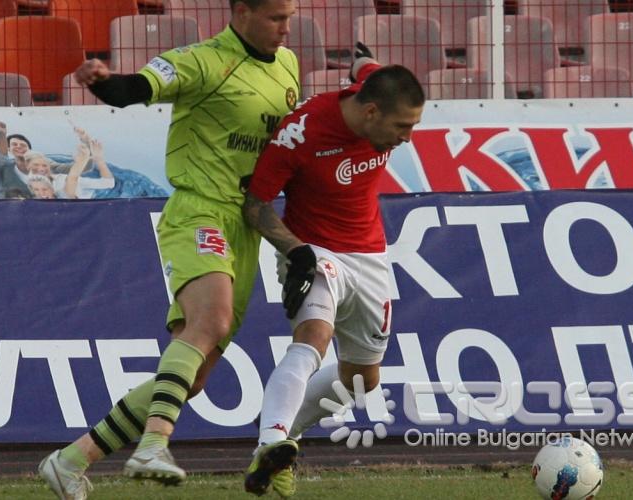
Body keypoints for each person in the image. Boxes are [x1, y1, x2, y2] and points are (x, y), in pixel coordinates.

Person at [37, 0, 299, 498]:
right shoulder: (200, 61)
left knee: (191, 379)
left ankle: (69, 461)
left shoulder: (287, 65)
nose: (286, 29)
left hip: (246, 225)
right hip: (199, 210)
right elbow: (134, 89)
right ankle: (153, 445)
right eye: (275, 18)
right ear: (242, 11)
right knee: (211, 322)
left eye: (289, 17)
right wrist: (103, 82)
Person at [241, 56, 425, 497]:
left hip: (369, 253)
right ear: (371, 112)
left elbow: (367, 69)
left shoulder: (374, 91)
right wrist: (297, 252)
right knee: (314, 337)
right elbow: (255, 206)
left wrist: (361, 60)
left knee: (361, 379)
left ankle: (282, 437)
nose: (407, 138)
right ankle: (271, 438)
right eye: (402, 127)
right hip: (314, 250)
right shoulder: (300, 134)